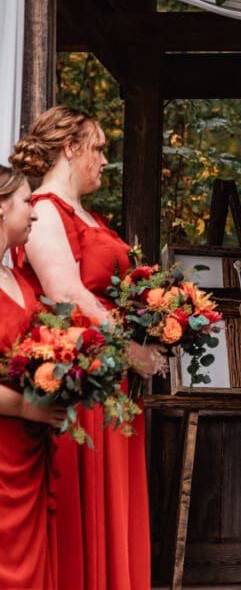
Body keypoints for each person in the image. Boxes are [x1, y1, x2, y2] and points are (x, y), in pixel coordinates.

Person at [10, 106, 151, 590]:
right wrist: (131, 350)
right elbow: (66, 293)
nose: (105, 160)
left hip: (111, 377)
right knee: (83, 510)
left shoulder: (91, 216)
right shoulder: (46, 209)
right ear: (70, 148)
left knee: (117, 507)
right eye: (99, 148)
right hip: (82, 377)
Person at [0, 165, 66, 590]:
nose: (35, 212)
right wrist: (26, 407)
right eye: (27, 202)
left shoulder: (19, 278)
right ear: (1, 207)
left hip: (29, 454)